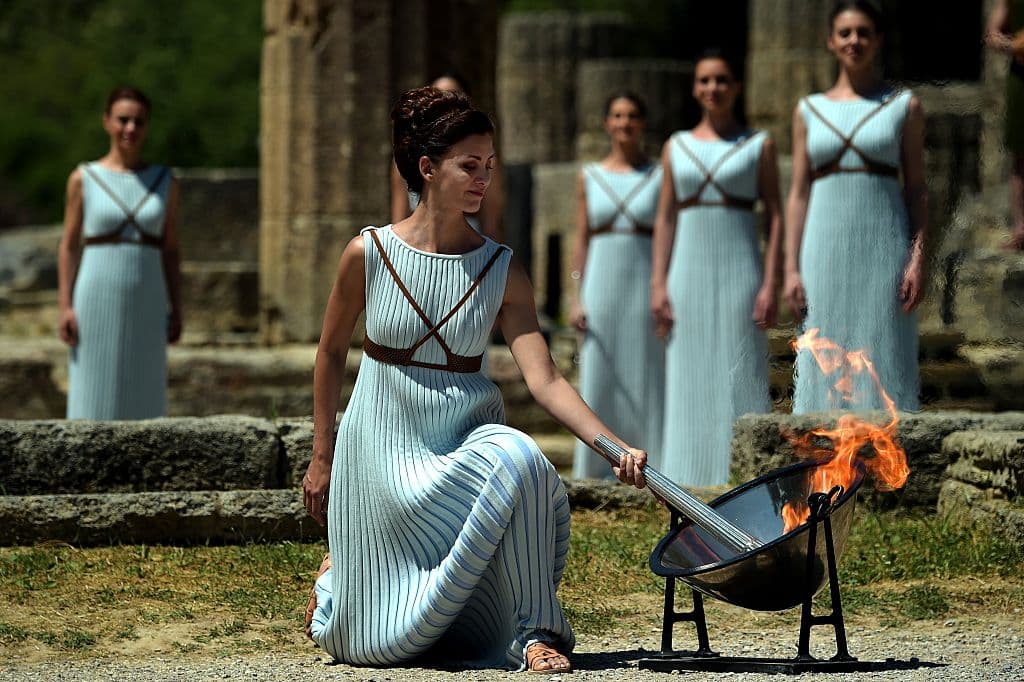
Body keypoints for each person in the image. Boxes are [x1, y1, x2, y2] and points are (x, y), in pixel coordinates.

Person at [301, 86, 648, 673]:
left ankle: (538, 627)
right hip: (380, 450)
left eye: (488, 165)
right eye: (469, 165)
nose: (482, 178)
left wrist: (612, 447)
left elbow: (545, 380)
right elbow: (331, 352)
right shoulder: (367, 254)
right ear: (427, 168)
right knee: (377, 650)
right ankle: (337, 585)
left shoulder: (502, 268)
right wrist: (321, 456)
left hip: (463, 442)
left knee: (523, 459)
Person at [783, 0, 926, 413]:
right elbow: (798, 193)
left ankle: (889, 461)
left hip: (883, 244)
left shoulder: (904, 106)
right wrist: (791, 267)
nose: (854, 41)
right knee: (824, 346)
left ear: (878, 40)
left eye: (864, 32)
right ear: (830, 41)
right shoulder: (808, 110)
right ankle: (820, 459)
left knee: (883, 346)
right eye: (845, 33)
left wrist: (918, 258)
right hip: (823, 247)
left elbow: (917, 189)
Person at [650, 51, 783, 487]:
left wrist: (771, 281)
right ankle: (685, 476)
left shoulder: (758, 145)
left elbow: (777, 215)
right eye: (705, 80)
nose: (714, 88)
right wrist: (658, 283)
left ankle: (744, 474)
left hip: (740, 268)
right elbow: (666, 217)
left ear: (736, 87)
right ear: (695, 88)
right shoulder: (677, 146)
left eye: (722, 80)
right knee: (688, 370)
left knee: (740, 366)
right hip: (686, 271)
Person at [57, 86, 182, 420]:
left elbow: (170, 250)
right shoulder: (84, 178)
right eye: (123, 120)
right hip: (95, 295)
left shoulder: (165, 181)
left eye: (138, 121)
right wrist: (65, 305)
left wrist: (177, 307)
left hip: (149, 297)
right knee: (91, 394)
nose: (130, 128)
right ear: (107, 122)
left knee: (145, 392)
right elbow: (69, 246)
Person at [569, 91, 665, 479]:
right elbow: (581, 239)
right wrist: (574, 296)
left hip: (642, 283)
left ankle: (649, 464)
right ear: (607, 123)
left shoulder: (659, 175)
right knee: (600, 374)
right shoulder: (589, 176)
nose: (624, 123)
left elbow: (667, 237)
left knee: (646, 373)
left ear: (641, 124)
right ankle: (595, 466)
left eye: (631, 116)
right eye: (617, 116)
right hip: (601, 285)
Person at [389, 71, 505, 242]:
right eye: (439, 96)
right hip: (415, 240)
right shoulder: (407, 157)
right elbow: (398, 217)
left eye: (454, 96)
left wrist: (493, 263)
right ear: (426, 167)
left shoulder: (484, 156)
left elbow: (491, 225)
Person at [985, 0, 1024, 250]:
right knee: (1020, 152)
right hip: (1022, 77)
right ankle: (1022, 228)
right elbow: (992, 33)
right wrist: (1014, 45)